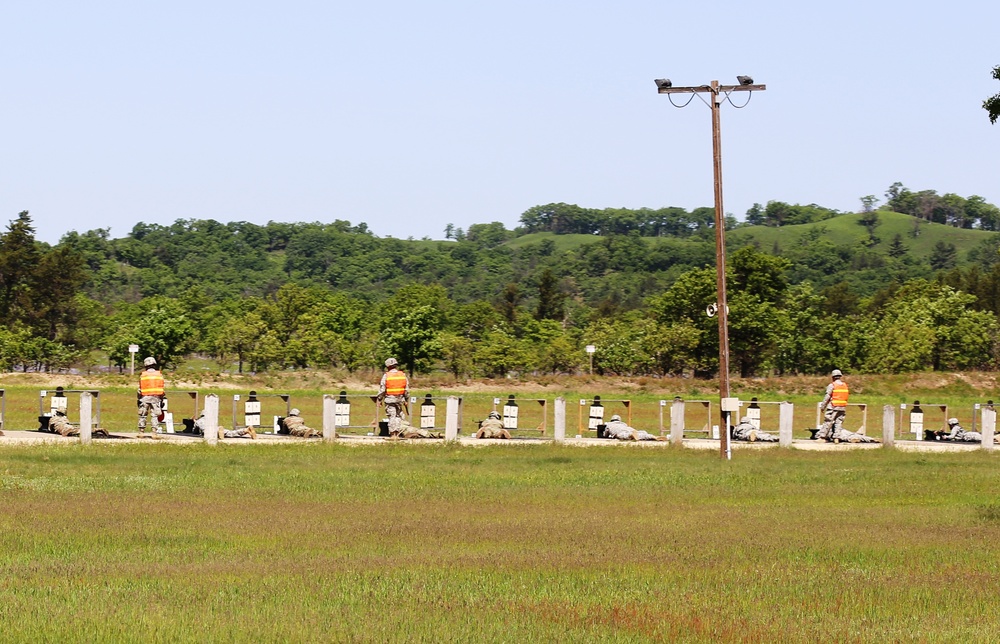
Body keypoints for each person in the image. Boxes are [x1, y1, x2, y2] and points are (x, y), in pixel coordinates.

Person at [377, 357, 409, 437]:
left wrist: (379, 399)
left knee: (392, 416)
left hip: (390, 400)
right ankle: (397, 434)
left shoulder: (386, 376)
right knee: (398, 416)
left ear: (388, 366)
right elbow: (406, 389)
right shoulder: (403, 375)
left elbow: (382, 389)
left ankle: (393, 435)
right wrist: (406, 399)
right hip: (399, 400)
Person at [817, 369, 849, 441]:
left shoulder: (832, 385)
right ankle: (836, 438)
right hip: (842, 407)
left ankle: (822, 437)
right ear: (840, 376)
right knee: (839, 422)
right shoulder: (844, 385)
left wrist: (823, 406)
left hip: (833, 406)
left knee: (828, 421)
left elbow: (827, 397)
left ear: (833, 377)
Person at [137, 356, 165, 434]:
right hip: (156, 398)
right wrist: (162, 399)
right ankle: (154, 432)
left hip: (144, 398)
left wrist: (138, 399)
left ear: (146, 365)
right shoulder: (159, 375)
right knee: (155, 415)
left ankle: (141, 432)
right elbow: (162, 388)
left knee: (143, 414)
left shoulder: (143, 375)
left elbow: (139, 389)